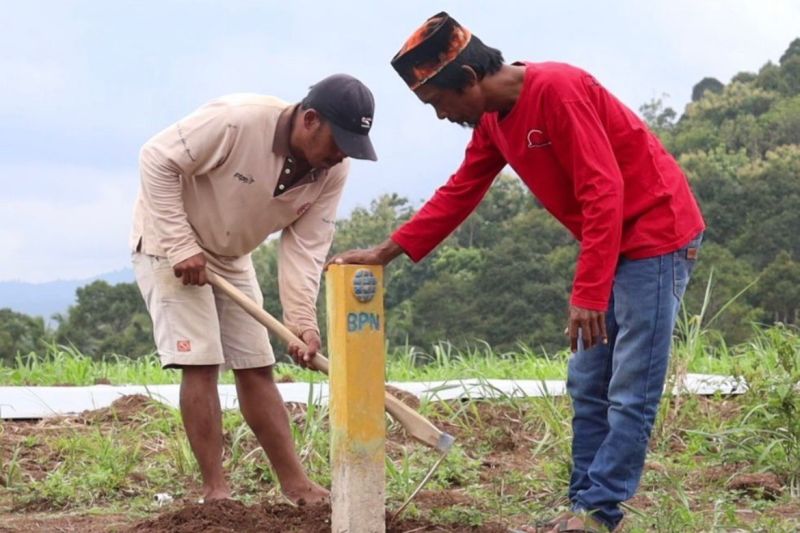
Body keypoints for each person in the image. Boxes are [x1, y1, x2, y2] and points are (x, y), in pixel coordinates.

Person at [328, 12, 704, 532]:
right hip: (608, 243)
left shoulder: (559, 90)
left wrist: (589, 293)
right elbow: (461, 190)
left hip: (656, 236)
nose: (440, 116)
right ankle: (582, 508)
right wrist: (385, 252)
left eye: (439, 103)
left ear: (467, 79)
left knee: (630, 386)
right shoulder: (491, 122)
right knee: (587, 380)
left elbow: (604, 191)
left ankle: (599, 513)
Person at [131, 74, 377, 504]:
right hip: (168, 242)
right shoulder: (237, 120)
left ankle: (296, 484)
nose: (340, 157)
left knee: (256, 364)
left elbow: (305, 247)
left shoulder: (331, 171)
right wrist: (181, 244)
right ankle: (216, 490)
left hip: (231, 254)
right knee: (202, 362)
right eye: (337, 143)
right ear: (310, 119)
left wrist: (301, 322)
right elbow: (156, 158)